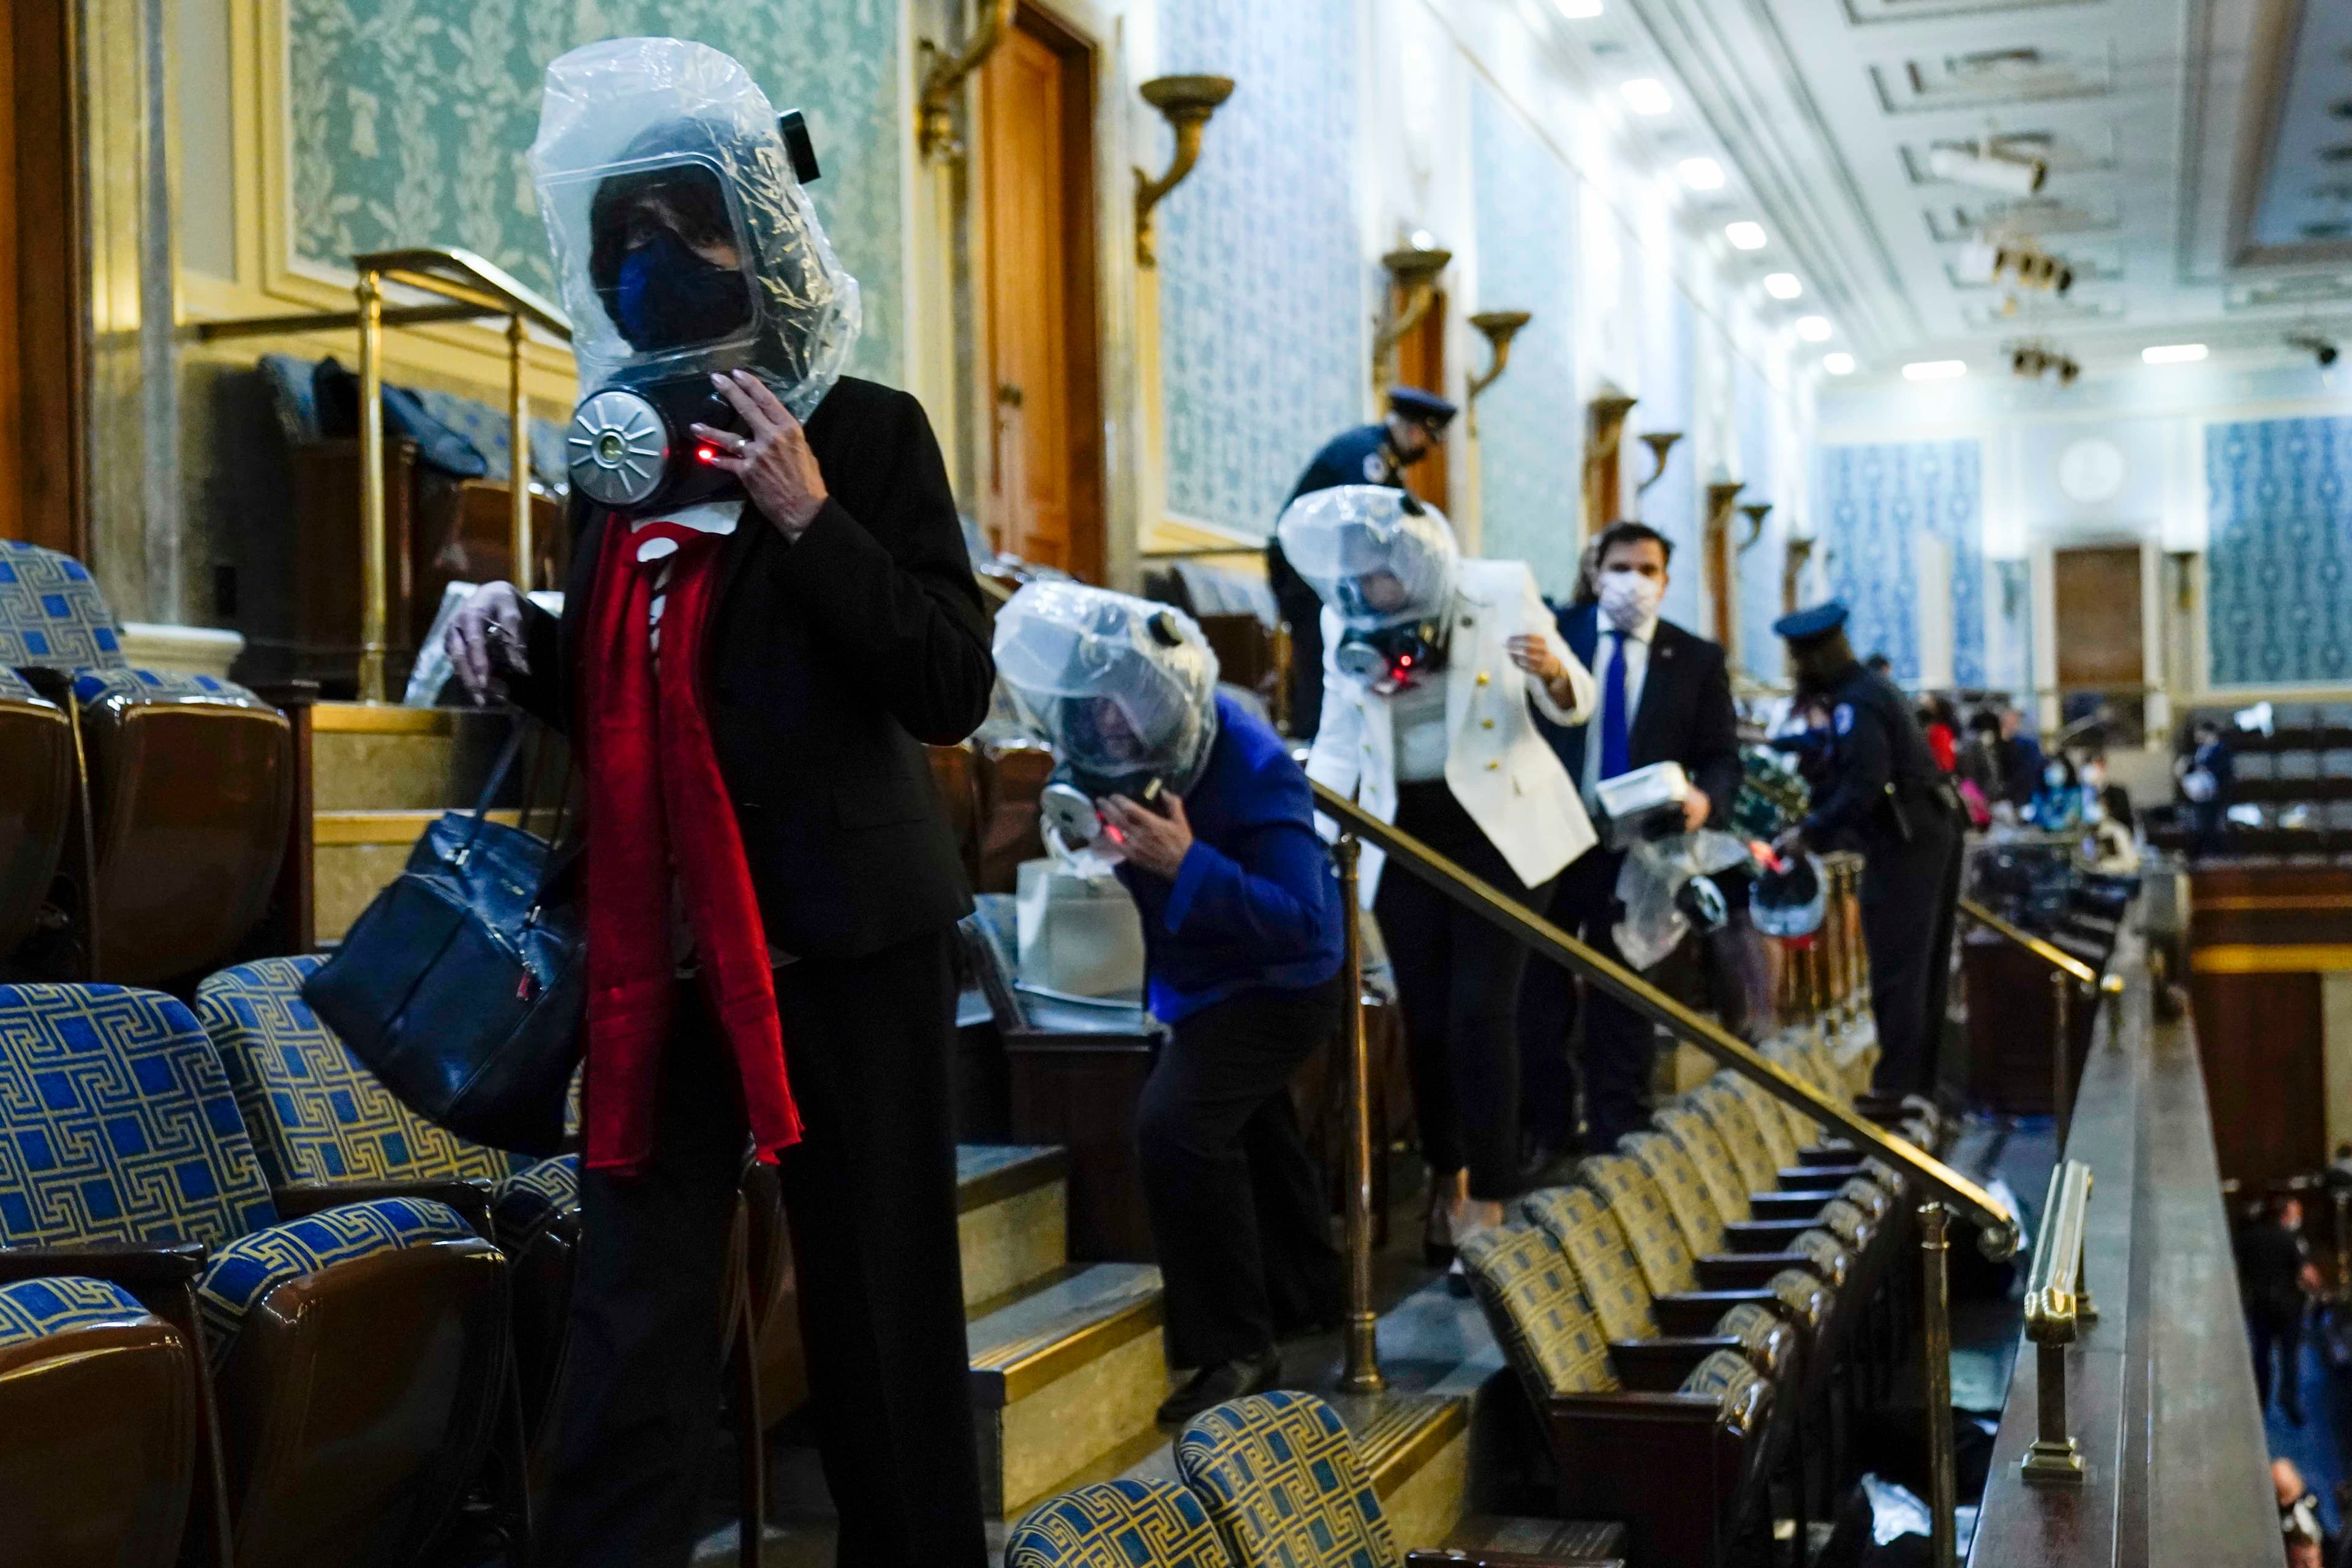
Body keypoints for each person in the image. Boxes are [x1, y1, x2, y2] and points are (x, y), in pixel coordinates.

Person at [447, 41, 992, 1568]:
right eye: (619, 241)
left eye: (675, 233)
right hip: (659, 947)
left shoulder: (867, 429)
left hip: (839, 935)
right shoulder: (613, 459)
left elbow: (946, 681)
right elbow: (642, 694)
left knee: (879, 1306)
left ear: (753, 234)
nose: (642, 266)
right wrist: (525, 644)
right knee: (634, 1306)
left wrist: (809, 514)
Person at [993, 582, 1346, 1425]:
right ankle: (1307, 1295)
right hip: (1194, 974)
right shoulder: (1098, 735)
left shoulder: (1253, 765)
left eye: (1128, 707)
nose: (1110, 725)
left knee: (1177, 1126)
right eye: (1097, 706)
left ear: (1166, 700)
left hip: (1279, 982)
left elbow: (1301, 924)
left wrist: (1188, 864)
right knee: (1253, 1130)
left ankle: (1236, 1349)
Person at [1285, 485, 1596, 1262]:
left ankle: (1490, 1201)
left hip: (1503, 828)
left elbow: (1576, 701)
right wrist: (1315, 838)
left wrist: (1554, 672)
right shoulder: (1342, 616)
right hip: (1408, 833)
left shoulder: (1496, 586)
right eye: (1354, 573)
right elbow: (1335, 739)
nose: (1369, 586)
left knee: (1480, 1011)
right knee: (1424, 1020)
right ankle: (1446, 1177)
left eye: (1381, 570)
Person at [1520, 521, 1740, 1158]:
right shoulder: (1558, 635)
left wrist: (1705, 800)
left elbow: (1723, 757)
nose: (1633, 581)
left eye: (1648, 570)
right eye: (1621, 567)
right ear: (1596, 572)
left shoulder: (1695, 658)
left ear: (1666, 582)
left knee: (1626, 995)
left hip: (1641, 849)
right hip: (1553, 837)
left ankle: (1621, 1139)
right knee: (1538, 990)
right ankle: (1548, 1131)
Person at [1771, 602, 1964, 1098]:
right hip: (1928, 830)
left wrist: (1810, 833)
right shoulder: (1869, 691)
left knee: (1899, 965)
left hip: (1906, 841)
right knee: (1921, 965)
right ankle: (1916, 1085)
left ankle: (1898, 1090)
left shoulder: (1856, 702)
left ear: (1810, 658)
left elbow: (1864, 783)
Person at [1265, 387, 1458, 740]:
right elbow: (1365, 532)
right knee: (1322, 652)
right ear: (1413, 430)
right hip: (1306, 573)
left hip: (1321, 570)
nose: (1423, 450)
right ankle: (1316, 740)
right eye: (1424, 439)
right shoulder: (1367, 456)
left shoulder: (1379, 455)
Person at [2242, 1193, 2323, 1426]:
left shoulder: (2247, 1239)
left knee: (2261, 1355)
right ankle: (2288, 1399)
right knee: (2289, 1354)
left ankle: (2260, 1401)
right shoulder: (2288, 1240)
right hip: (2288, 1305)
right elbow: (2307, 1274)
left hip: (2259, 1304)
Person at [2180, 718, 2234, 858]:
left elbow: (2224, 770)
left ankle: (2215, 852)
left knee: (2213, 825)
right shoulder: (2200, 750)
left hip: (2215, 794)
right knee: (2200, 824)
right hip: (2199, 795)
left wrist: (2207, 771)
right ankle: (2201, 852)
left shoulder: (2221, 749)